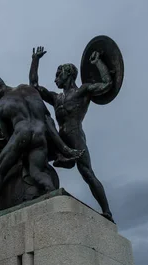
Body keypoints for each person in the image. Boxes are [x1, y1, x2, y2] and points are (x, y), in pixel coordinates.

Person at [29, 46, 115, 222]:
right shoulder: (56, 98)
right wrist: (35, 60)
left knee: (87, 173)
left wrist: (97, 62)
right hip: (60, 139)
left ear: (68, 74)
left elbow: (107, 84)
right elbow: (34, 87)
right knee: (37, 157)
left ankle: (107, 211)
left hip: (75, 136)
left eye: (58, 75)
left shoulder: (83, 91)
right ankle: (38, 190)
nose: (55, 80)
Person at [0, 76, 82, 214]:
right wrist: (63, 148)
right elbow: (47, 117)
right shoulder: (28, 89)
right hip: (40, 134)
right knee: (37, 172)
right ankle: (53, 193)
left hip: (21, 134)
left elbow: (8, 136)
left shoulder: (0, 107)